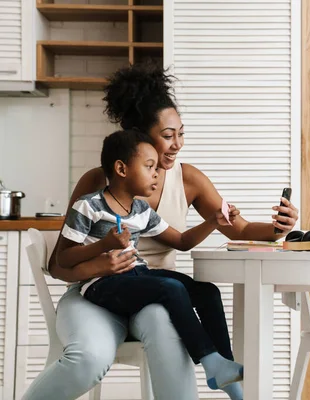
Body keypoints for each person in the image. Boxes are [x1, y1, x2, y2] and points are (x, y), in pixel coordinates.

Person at [22, 62, 299, 400]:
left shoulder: (188, 179)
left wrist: (277, 227)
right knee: (88, 359)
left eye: (181, 133)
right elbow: (60, 264)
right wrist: (101, 265)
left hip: (157, 294)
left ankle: (224, 373)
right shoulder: (98, 183)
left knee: (169, 312)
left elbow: (235, 228)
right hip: (93, 295)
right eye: (168, 136)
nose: (177, 144)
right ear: (139, 137)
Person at [58, 129, 244, 393]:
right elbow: (63, 257)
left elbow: (181, 241)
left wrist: (213, 221)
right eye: (149, 166)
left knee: (207, 292)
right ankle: (210, 360)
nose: (157, 173)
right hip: (102, 284)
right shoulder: (89, 206)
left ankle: (226, 373)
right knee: (171, 288)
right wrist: (105, 245)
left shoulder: (141, 210)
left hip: (136, 275)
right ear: (121, 169)